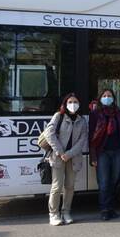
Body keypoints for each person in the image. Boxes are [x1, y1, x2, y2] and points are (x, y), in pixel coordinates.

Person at [45, 93, 87, 226]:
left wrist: (69, 154)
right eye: (70, 102)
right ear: (65, 103)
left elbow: (82, 140)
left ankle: (66, 212)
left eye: (75, 102)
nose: (73, 104)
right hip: (58, 157)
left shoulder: (82, 120)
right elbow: (49, 133)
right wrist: (60, 152)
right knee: (56, 186)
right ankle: (54, 214)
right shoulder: (59, 116)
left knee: (69, 186)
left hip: (73, 157)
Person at [89, 89, 120, 221]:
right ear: (100, 98)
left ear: (114, 98)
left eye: (109, 96)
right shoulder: (95, 114)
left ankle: (111, 208)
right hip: (102, 152)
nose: (107, 98)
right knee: (104, 182)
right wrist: (93, 156)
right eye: (104, 96)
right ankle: (105, 209)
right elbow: (92, 137)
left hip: (118, 151)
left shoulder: (119, 113)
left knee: (114, 180)